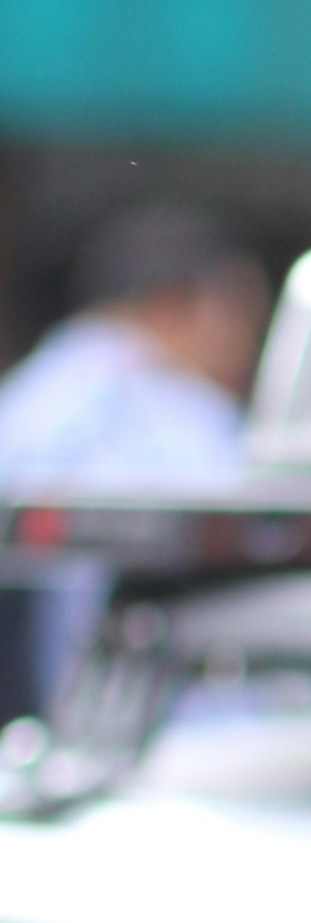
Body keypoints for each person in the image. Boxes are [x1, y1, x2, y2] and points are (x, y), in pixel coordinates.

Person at [0, 201, 266, 718]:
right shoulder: (179, 416)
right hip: (147, 756)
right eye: (237, 317)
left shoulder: (28, 397)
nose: (245, 350)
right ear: (175, 305)